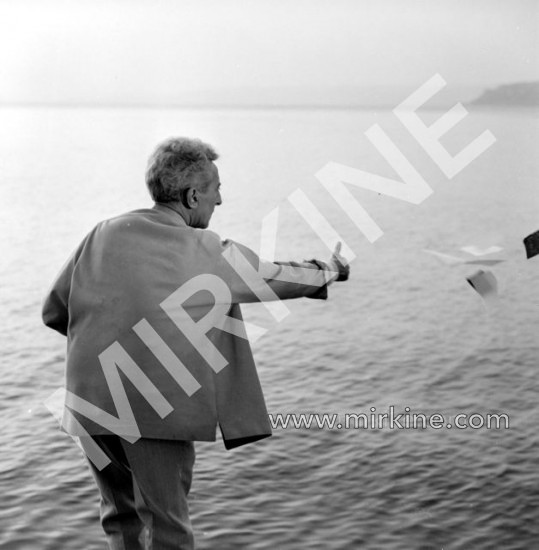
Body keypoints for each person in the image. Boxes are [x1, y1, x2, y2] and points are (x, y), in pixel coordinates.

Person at [42, 137, 350, 549]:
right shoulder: (203, 249)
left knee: (120, 519)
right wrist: (329, 269)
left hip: (89, 405)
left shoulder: (102, 233)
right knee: (168, 528)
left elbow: (54, 310)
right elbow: (274, 278)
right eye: (215, 189)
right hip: (152, 410)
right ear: (192, 195)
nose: (220, 200)